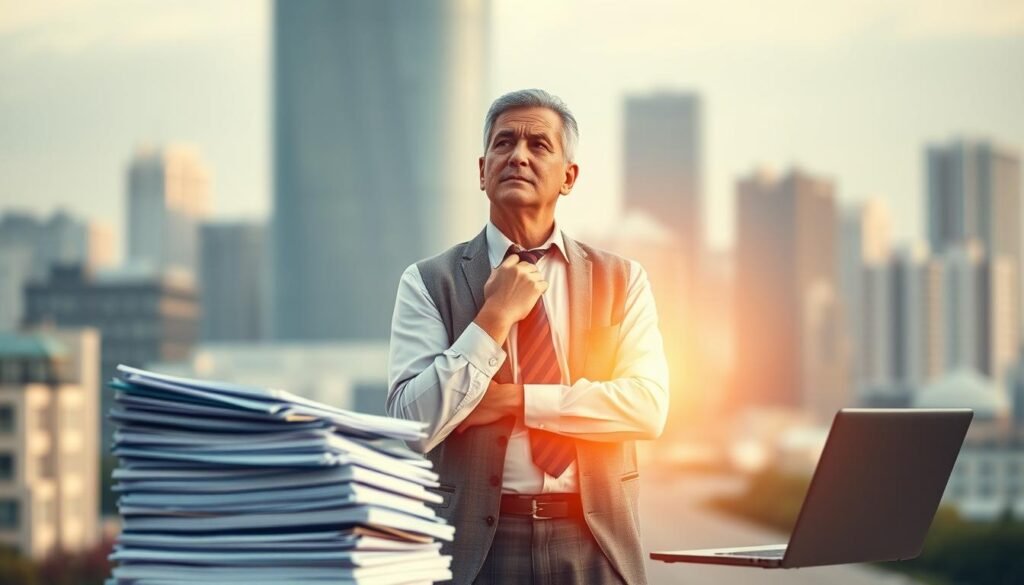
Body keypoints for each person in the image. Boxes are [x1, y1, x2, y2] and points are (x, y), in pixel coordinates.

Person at [387, 88, 670, 585]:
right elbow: (411, 425)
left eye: (539, 145)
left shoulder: (623, 279)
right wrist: (493, 317)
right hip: (476, 550)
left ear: (569, 177)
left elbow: (647, 407)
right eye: (504, 143)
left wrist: (517, 401)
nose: (518, 154)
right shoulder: (429, 281)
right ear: (481, 171)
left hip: (594, 541)